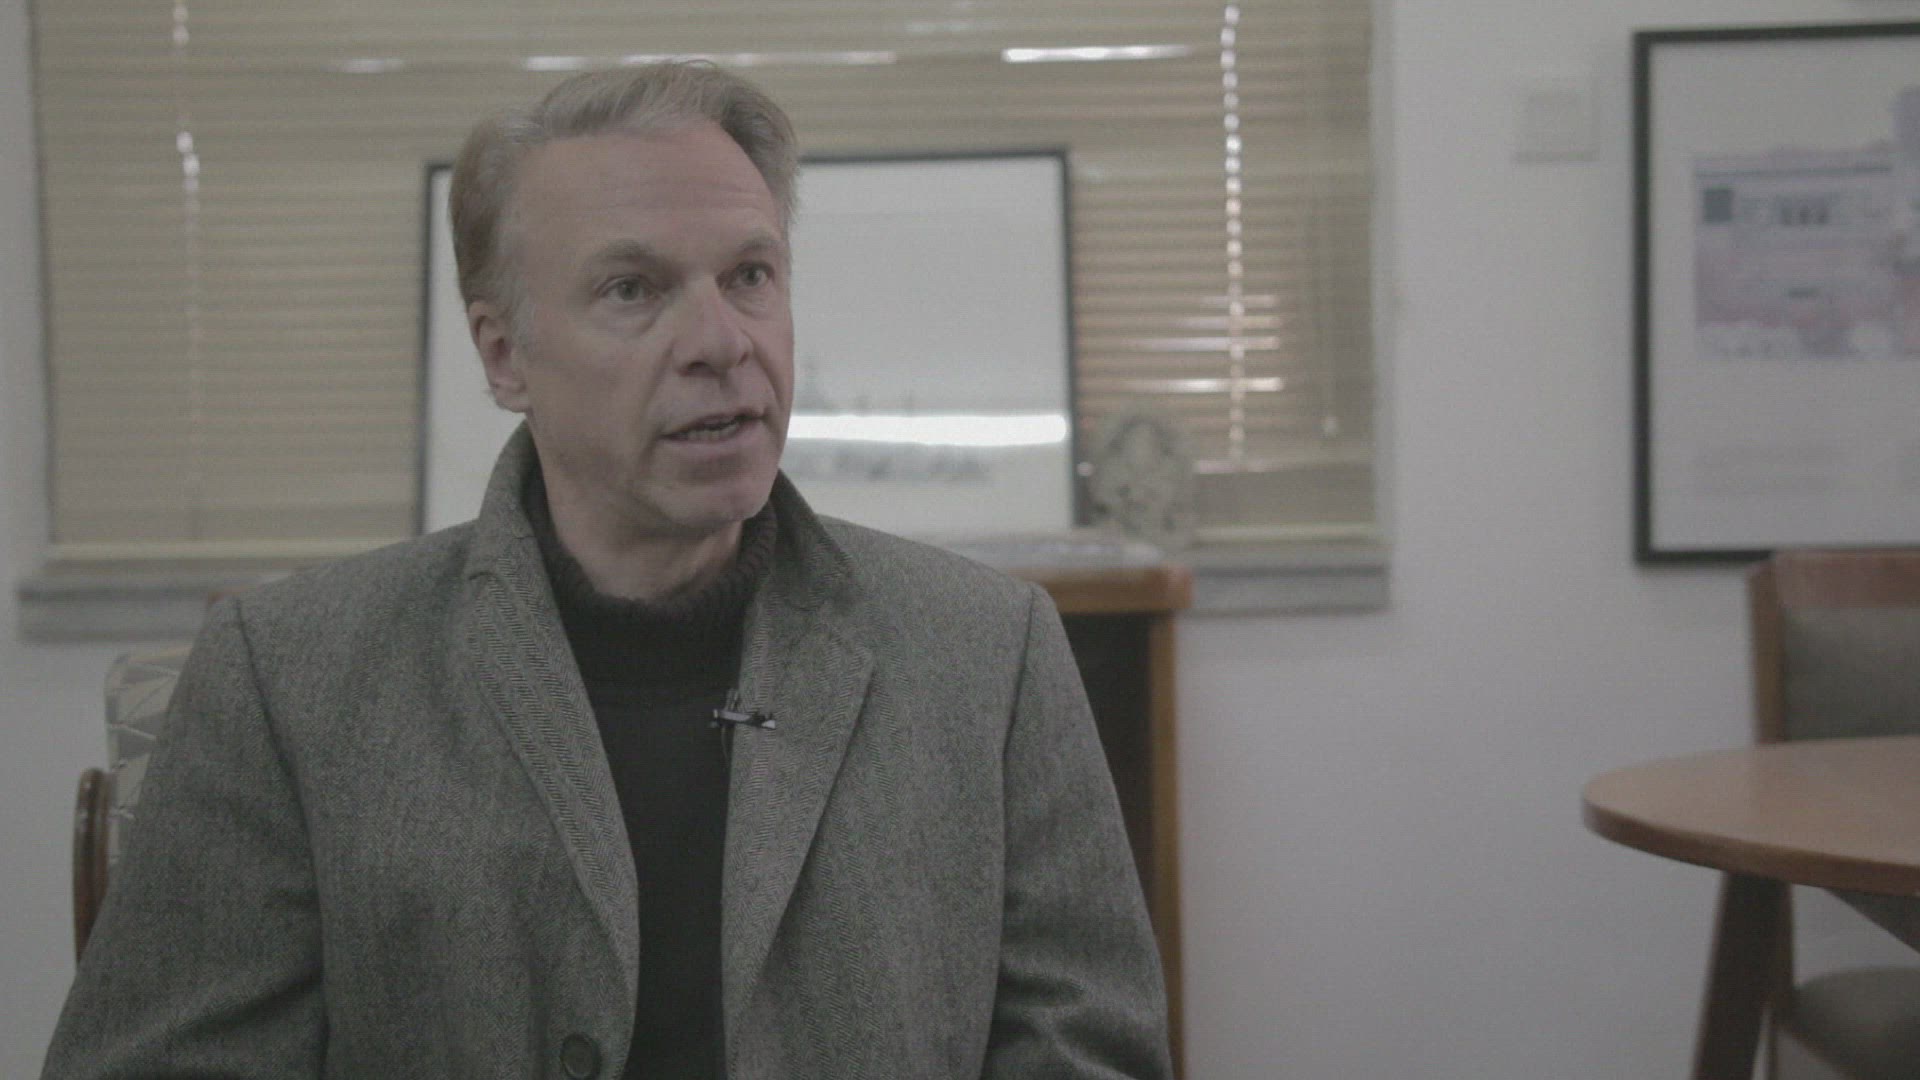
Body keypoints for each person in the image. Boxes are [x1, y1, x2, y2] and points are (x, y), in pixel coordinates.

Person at [43, 62, 1171, 1079]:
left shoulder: (990, 657)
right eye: (633, 289)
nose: (721, 341)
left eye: (750, 275)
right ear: (505, 356)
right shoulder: (290, 678)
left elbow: (1090, 1054)